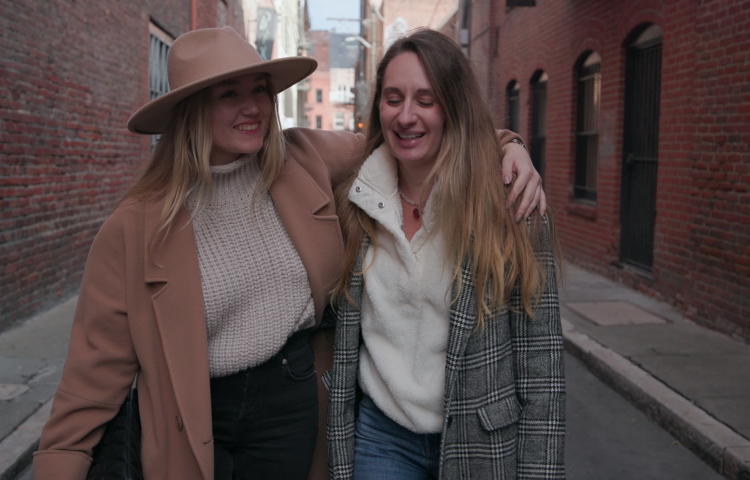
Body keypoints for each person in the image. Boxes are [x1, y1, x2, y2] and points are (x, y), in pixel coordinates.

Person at [32, 27, 544, 480]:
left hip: (296, 403)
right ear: (191, 110)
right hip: (194, 417)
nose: (253, 106)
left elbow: (413, 135)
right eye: (229, 94)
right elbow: (89, 383)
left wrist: (508, 145)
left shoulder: (302, 158)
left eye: (260, 90)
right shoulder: (135, 227)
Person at [326, 29, 565, 480]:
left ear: (453, 105)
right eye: (393, 98)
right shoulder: (356, 200)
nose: (406, 116)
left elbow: (543, 371)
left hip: (483, 442)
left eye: (426, 99)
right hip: (383, 437)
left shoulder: (511, 204)